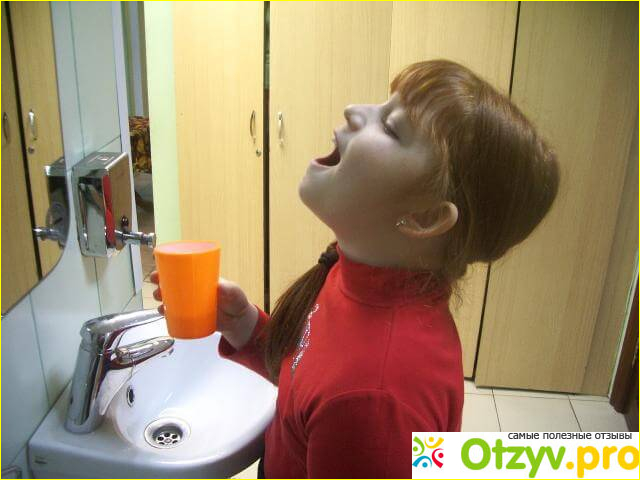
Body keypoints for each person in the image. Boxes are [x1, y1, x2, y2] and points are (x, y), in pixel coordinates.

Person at [150, 59, 560, 478]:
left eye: (391, 127)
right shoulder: (353, 278)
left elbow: (343, 391)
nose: (353, 110)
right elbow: (308, 379)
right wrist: (245, 326)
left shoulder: (373, 399)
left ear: (425, 217)